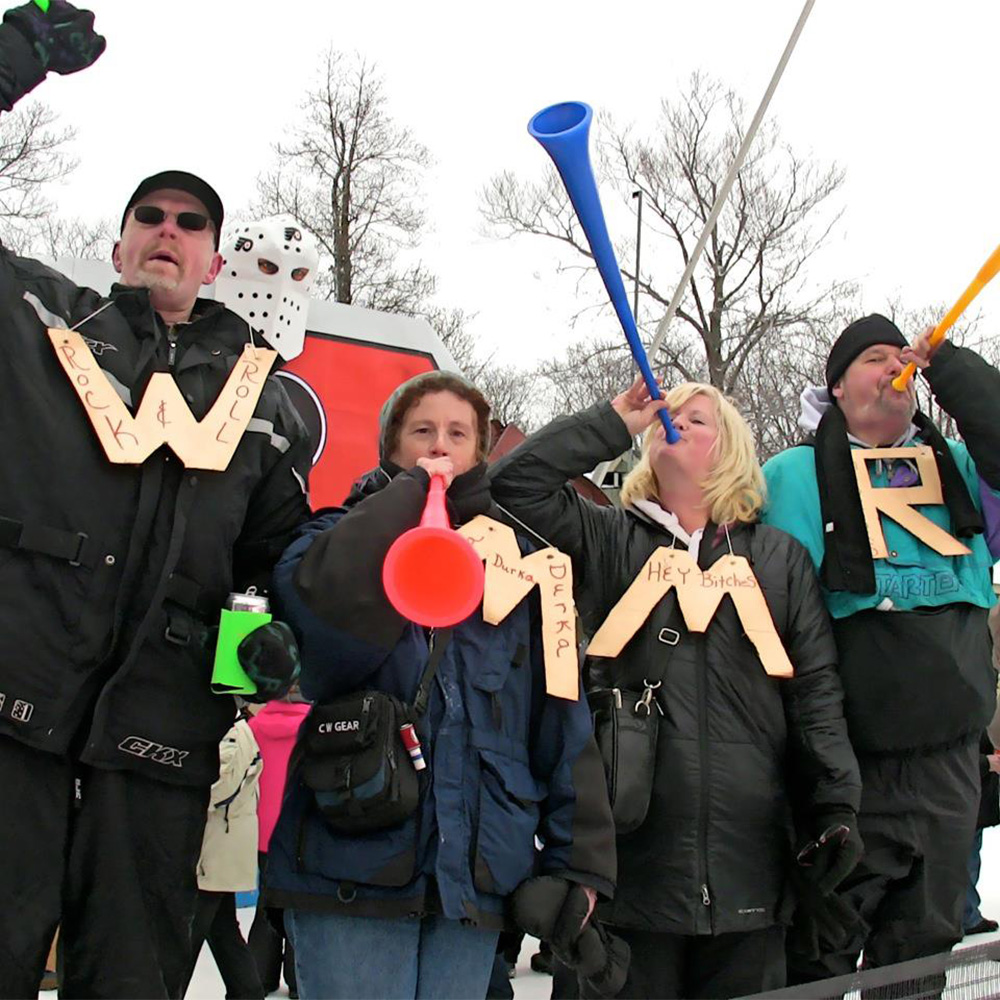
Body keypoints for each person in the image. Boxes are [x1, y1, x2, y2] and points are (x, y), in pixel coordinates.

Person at [0, 5, 312, 996]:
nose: (167, 233)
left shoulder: (263, 401)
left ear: (217, 260)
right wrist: (11, 64)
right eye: (151, 217)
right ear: (120, 240)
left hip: (160, 741)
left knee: (133, 982)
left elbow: (269, 566)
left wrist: (260, 650)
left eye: (190, 223)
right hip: (17, 722)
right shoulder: (45, 323)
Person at [489, 379, 862, 999]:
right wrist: (613, 422)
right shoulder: (610, 541)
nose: (677, 424)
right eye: (671, 416)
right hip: (627, 876)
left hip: (752, 876)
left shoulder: (778, 560)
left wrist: (835, 808)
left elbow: (816, 696)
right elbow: (512, 485)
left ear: (732, 453)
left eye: (698, 420)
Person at [264, 371, 619, 1000]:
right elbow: (323, 638)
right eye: (421, 430)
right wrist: (410, 500)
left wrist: (579, 860)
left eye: (458, 435)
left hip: (471, 882)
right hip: (353, 866)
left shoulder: (523, 570)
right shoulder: (331, 535)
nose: (440, 446)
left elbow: (561, 720)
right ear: (391, 447)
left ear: (479, 455)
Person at [760, 314, 1000, 985]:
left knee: (919, 959)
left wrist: (949, 366)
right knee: (819, 957)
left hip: (948, 764)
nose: (892, 367)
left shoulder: (957, 464)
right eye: (872, 358)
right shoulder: (791, 476)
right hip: (845, 769)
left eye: (901, 358)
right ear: (836, 386)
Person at [184, 712, 265, 1000]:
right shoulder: (228, 729)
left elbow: (219, 789)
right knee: (223, 931)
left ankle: (167, 991)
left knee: (190, 934)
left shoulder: (232, 733)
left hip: (218, 847)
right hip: (220, 847)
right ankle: (248, 992)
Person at [246, 689, 310, 998]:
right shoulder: (312, 726)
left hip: (261, 832)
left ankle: (260, 973)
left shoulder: (255, 725)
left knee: (265, 902)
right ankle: (298, 981)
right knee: (298, 903)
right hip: (297, 829)